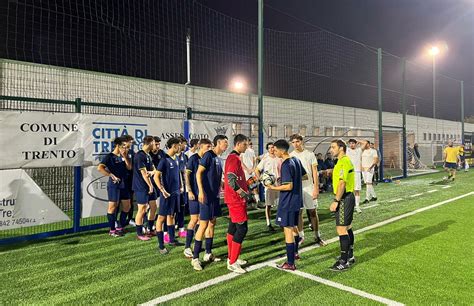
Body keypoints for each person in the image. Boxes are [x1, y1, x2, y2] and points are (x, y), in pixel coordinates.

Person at [191, 135, 229, 271]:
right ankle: (195, 258)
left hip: (215, 197)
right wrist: (201, 191)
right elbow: (198, 173)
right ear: (218, 143)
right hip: (206, 196)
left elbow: (216, 178)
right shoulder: (208, 155)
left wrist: (223, 186)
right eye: (225, 142)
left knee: (212, 223)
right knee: (203, 224)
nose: (226, 145)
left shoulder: (218, 159)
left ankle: (208, 253)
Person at [267, 139, 306, 271]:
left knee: (288, 231)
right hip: (297, 201)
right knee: (294, 228)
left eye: (275, 150)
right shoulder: (296, 160)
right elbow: (304, 176)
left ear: (281, 150)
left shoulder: (285, 164)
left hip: (287, 202)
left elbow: (288, 186)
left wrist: (273, 187)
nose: (274, 152)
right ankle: (294, 254)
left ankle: (290, 263)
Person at [289, 134, 326, 246]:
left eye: (297, 141)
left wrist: (316, 187)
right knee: (299, 213)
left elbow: (314, 172)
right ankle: (301, 237)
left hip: (309, 187)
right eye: (293, 142)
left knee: (313, 212)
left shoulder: (309, 154)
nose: (296, 144)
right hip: (298, 189)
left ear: (302, 142)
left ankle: (317, 236)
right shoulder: (291, 156)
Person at [224, 134, 253, 274]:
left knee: (233, 227)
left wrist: (249, 185)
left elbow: (236, 179)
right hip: (236, 200)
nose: (247, 147)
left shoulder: (234, 158)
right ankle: (232, 262)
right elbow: (230, 180)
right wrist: (243, 193)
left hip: (234, 199)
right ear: (239, 144)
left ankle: (232, 257)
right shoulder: (233, 158)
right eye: (245, 145)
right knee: (242, 229)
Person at [328, 139, 356, 271]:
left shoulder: (344, 161)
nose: (331, 150)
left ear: (341, 148)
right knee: (348, 227)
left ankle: (343, 261)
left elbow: (342, 183)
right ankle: (349, 256)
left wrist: (336, 201)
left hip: (344, 198)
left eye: (333, 147)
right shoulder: (341, 161)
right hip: (347, 197)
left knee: (341, 230)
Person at [97, 136, 132, 237]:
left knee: (127, 206)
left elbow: (129, 167)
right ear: (118, 146)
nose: (126, 149)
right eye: (124, 147)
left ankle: (120, 226)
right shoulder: (110, 156)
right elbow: (100, 168)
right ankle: (112, 230)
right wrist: (110, 175)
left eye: (127, 147)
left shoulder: (126, 155)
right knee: (112, 207)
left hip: (125, 184)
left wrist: (125, 156)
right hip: (114, 185)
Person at [183, 138, 212, 258]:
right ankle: (187, 247)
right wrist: (189, 190)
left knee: (203, 221)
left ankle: (199, 245)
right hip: (194, 194)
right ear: (200, 146)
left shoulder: (208, 159)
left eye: (210, 147)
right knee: (194, 219)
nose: (209, 149)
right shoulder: (193, 158)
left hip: (204, 195)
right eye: (207, 147)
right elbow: (187, 175)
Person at [154, 137, 183, 255]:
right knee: (161, 218)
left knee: (171, 215)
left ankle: (171, 240)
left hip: (176, 193)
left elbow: (177, 174)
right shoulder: (164, 160)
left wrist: (180, 186)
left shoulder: (176, 158)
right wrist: (162, 190)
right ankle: (161, 245)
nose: (180, 147)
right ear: (174, 146)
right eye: (179, 145)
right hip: (166, 195)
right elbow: (156, 176)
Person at [132, 135, 157, 241]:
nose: (155, 145)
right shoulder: (139, 156)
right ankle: (139, 233)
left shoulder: (148, 155)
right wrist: (150, 186)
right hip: (141, 186)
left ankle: (150, 229)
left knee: (154, 207)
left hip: (148, 185)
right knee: (142, 209)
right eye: (154, 143)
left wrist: (151, 172)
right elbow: (144, 174)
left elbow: (154, 169)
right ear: (150, 142)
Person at [255, 142, 281, 231]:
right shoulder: (265, 159)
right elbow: (257, 170)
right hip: (269, 186)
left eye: (272, 147)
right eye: (269, 148)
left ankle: (280, 221)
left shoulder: (279, 158)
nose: (271, 149)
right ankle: (268, 223)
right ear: (267, 149)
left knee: (280, 205)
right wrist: (261, 179)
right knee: (268, 205)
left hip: (279, 185)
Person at [176, 136, 189, 238]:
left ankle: (181, 229)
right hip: (174, 187)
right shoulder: (171, 156)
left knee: (182, 208)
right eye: (185, 144)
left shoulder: (184, 157)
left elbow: (185, 172)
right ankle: (166, 232)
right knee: (171, 211)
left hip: (183, 187)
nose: (186, 146)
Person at [346, 139, 362, 213]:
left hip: (357, 172)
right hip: (349, 173)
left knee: (357, 190)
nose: (351, 144)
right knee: (349, 190)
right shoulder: (347, 150)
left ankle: (357, 206)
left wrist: (358, 141)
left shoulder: (359, 150)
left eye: (353, 143)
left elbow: (365, 143)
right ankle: (349, 206)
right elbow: (340, 142)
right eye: (350, 143)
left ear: (356, 144)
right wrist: (347, 142)